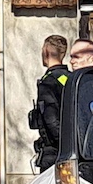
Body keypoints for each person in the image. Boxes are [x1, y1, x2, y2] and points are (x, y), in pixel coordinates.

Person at [30, 35, 71, 172]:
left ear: (46, 51)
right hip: (73, 149)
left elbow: (51, 120)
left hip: (54, 153)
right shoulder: (71, 78)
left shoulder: (48, 82)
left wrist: (64, 144)